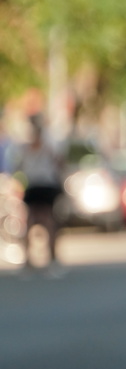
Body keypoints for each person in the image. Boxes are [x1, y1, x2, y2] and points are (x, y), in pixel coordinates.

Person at [14, 114, 65, 273]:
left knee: (38, 220)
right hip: (42, 185)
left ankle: (37, 258)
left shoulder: (32, 148)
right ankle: (47, 257)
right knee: (44, 220)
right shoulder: (40, 147)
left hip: (39, 185)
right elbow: (59, 163)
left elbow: (19, 167)